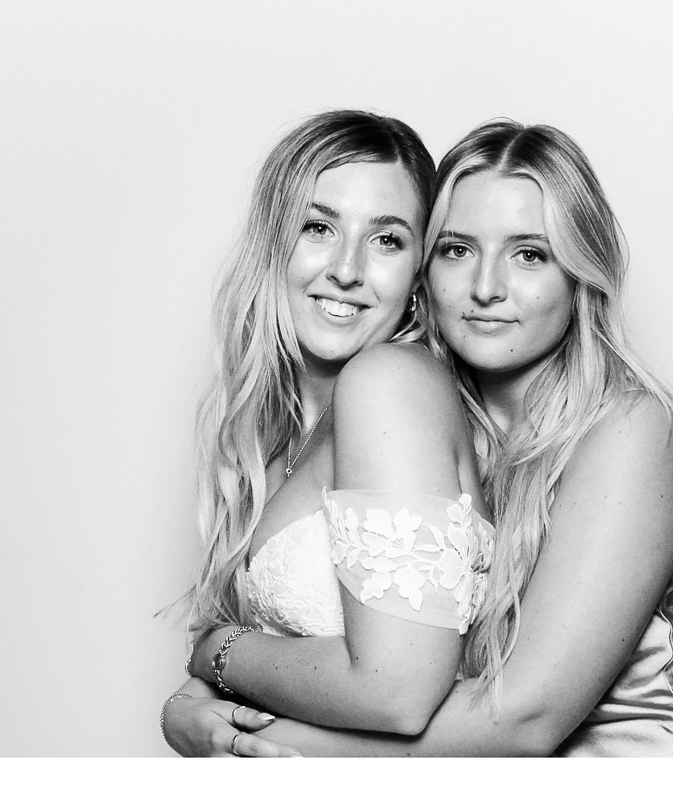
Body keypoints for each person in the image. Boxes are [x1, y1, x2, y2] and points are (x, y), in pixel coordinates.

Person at [165, 119, 673, 756]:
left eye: (530, 254)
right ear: (426, 274)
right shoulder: (435, 422)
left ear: (582, 273)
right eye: (457, 250)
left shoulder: (633, 432)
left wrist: (224, 689)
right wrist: (198, 705)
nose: (485, 288)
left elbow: (522, 720)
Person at [159, 110, 495, 756]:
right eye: (318, 227)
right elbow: (288, 663)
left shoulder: (388, 384)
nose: (346, 269)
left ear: (418, 276)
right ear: (273, 244)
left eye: (387, 240)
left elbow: (396, 693)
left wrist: (214, 653)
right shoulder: (275, 436)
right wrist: (186, 712)